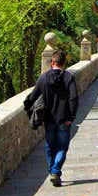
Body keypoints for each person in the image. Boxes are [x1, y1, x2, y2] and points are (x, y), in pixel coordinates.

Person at [23, 51, 78, 187]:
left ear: (52, 63)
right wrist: (71, 117)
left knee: (50, 147)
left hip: (49, 120)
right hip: (64, 119)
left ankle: (53, 171)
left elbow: (33, 96)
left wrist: (27, 105)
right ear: (63, 63)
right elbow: (74, 98)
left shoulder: (44, 78)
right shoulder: (68, 77)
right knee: (62, 148)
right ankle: (55, 171)